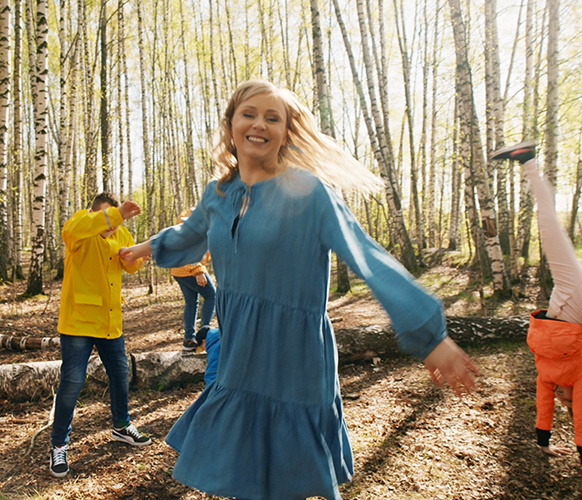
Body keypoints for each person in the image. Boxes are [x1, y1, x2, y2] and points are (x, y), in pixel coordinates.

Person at [120, 80, 479, 500]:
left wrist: (428, 333)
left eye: (273, 118)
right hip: (240, 351)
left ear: (286, 131)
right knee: (247, 475)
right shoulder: (218, 193)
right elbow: (191, 233)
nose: (259, 124)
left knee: (288, 480)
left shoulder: (310, 193)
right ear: (231, 124)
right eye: (249, 114)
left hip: (295, 354)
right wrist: (147, 246)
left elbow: (366, 256)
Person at [49, 192, 152, 480]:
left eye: (118, 221)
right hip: (78, 322)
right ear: (95, 213)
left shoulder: (120, 233)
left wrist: (138, 255)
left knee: (120, 373)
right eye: (110, 219)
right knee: (72, 382)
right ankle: (58, 444)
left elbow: (130, 266)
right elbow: (76, 230)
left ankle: (121, 425)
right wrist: (117, 214)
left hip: (109, 322)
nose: (114, 226)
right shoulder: (79, 224)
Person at [491, 140, 582, 464]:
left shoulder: (548, 376)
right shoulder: (578, 379)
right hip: (575, 299)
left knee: (549, 226)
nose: (559, 397)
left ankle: (526, 160)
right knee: (549, 225)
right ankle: (527, 161)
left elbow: (544, 408)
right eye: (566, 401)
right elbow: (581, 426)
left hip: (568, 293)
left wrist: (543, 443)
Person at [170, 208, 216, 351]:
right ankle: (204, 331)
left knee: (191, 302)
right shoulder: (195, 216)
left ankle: (188, 340)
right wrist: (198, 270)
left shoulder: (191, 214)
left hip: (178, 269)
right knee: (211, 295)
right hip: (189, 268)